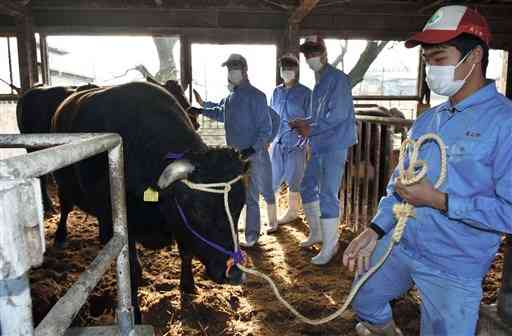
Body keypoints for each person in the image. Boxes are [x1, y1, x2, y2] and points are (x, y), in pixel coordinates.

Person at [342, 5, 512, 336]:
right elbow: (398, 186)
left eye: (438, 58)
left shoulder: (505, 124)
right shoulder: (427, 120)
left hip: (455, 265)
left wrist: (439, 200)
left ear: (474, 56)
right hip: (403, 243)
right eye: (427, 60)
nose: (430, 68)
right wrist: (374, 230)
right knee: (364, 299)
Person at [193, 53, 277, 247]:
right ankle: (241, 230)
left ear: (244, 71)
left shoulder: (257, 96)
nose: (232, 73)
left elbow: (266, 129)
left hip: (253, 156)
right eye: (229, 69)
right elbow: (222, 114)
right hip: (236, 156)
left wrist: (252, 149)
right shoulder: (231, 97)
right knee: (237, 193)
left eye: (235, 68)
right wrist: (200, 110)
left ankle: (252, 235)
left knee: (252, 196)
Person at [291, 35, 357, 265]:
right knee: (307, 185)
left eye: (313, 53)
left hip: (335, 143)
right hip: (320, 143)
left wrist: (310, 128)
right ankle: (318, 232)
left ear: (324, 53)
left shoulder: (338, 79)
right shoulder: (319, 83)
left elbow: (337, 116)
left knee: (328, 193)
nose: (310, 58)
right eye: (307, 55)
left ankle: (331, 245)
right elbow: (319, 116)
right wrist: (304, 122)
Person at [269, 53, 311, 228]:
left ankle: (292, 212)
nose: (287, 71)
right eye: (284, 68)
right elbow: (271, 114)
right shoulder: (276, 92)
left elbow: (311, 118)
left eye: (290, 68)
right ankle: (272, 219)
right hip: (277, 142)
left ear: (296, 71)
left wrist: (303, 137)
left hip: (296, 143)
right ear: (280, 71)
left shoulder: (305, 93)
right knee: (273, 179)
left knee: (295, 178)